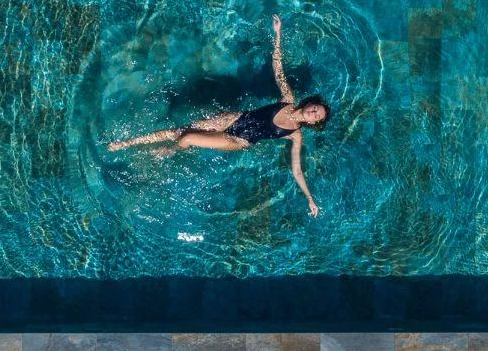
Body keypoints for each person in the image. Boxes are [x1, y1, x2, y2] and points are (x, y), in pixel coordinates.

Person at [108, 15, 330, 217]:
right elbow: (277, 67)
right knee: (179, 131)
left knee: (186, 138)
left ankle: (170, 150)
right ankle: (126, 143)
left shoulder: (295, 135)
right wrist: (278, 35)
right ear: (310, 102)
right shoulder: (288, 99)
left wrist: (309, 199)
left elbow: (297, 169)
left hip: (238, 140)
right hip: (233, 118)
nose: (313, 113)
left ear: (313, 123)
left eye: (316, 117)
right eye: (315, 108)